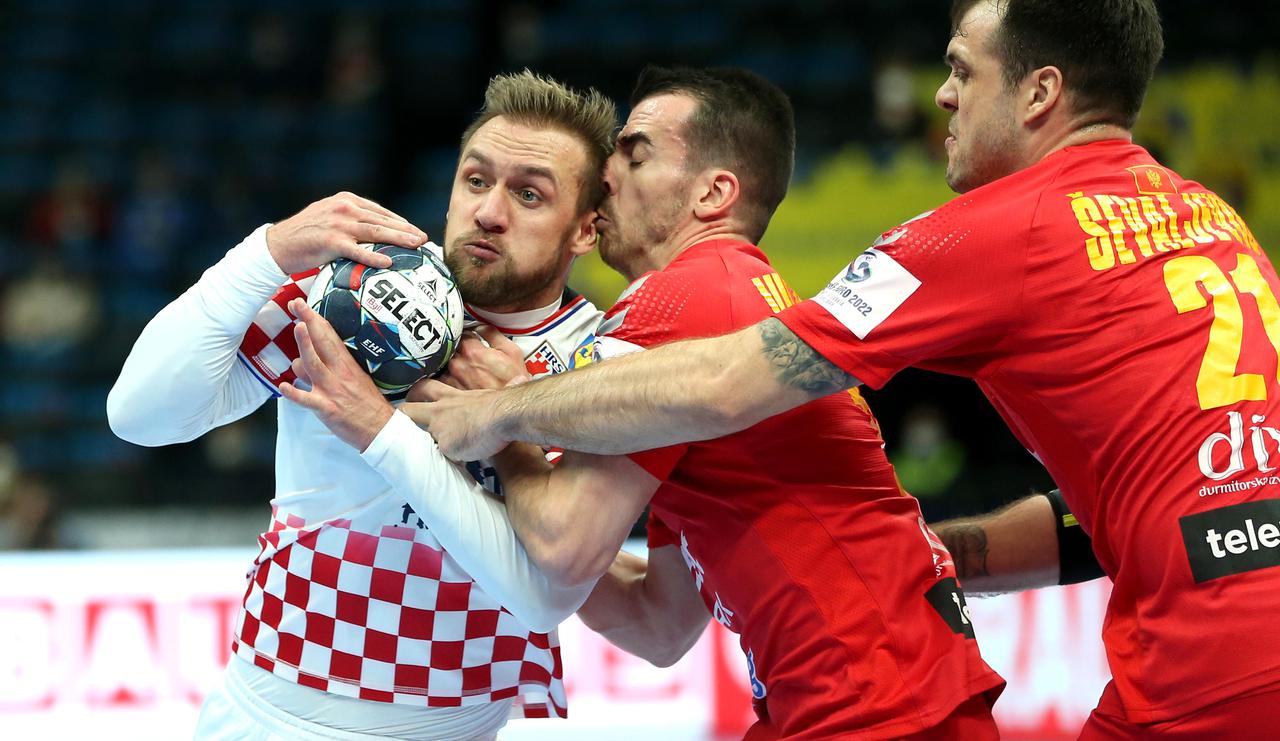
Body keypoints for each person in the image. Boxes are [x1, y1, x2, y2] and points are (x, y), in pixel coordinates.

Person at [405, 0, 1280, 737]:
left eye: (962, 70)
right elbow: (1102, 520)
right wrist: (912, 562)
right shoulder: (1207, 214)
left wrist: (495, 414)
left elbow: (723, 383)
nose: (941, 94)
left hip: (1185, 657)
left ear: (1040, 92)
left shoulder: (992, 230)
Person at [287, 65, 1004, 739]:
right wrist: (481, 515)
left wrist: (494, 424)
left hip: (870, 700)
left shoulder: (675, 300)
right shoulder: (736, 291)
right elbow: (658, 623)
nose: (606, 175)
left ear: (712, 195)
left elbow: (563, 545)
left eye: (635, 154)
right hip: (887, 684)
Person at [107, 71, 615, 740]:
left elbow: (544, 595)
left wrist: (382, 427)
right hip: (268, 718)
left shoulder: (602, 362)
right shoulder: (354, 288)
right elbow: (139, 416)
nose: (490, 211)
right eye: (475, 180)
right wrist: (265, 252)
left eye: (529, 194)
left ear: (585, 230)